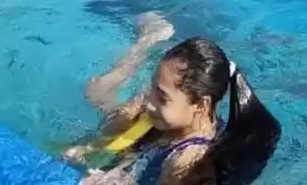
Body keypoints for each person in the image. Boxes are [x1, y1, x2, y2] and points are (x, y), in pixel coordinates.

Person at [64, 14, 280, 185]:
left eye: (162, 96)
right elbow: (112, 139)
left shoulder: (187, 161)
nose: (150, 100)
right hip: (158, 128)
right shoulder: (165, 111)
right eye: (153, 88)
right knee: (95, 92)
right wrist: (88, 148)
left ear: (202, 105)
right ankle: (147, 41)